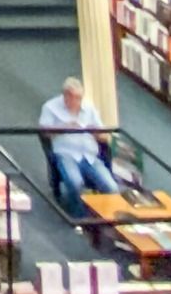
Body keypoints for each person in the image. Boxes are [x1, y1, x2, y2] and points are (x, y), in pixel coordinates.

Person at [38, 78, 118, 211]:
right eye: (74, 98)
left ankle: (104, 218)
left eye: (79, 98)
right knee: (75, 183)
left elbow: (105, 137)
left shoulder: (89, 108)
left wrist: (96, 133)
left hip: (89, 155)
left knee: (112, 188)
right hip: (66, 154)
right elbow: (44, 133)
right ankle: (78, 215)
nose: (77, 102)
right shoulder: (50, 107)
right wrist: (63, 128)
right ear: (66, 96)